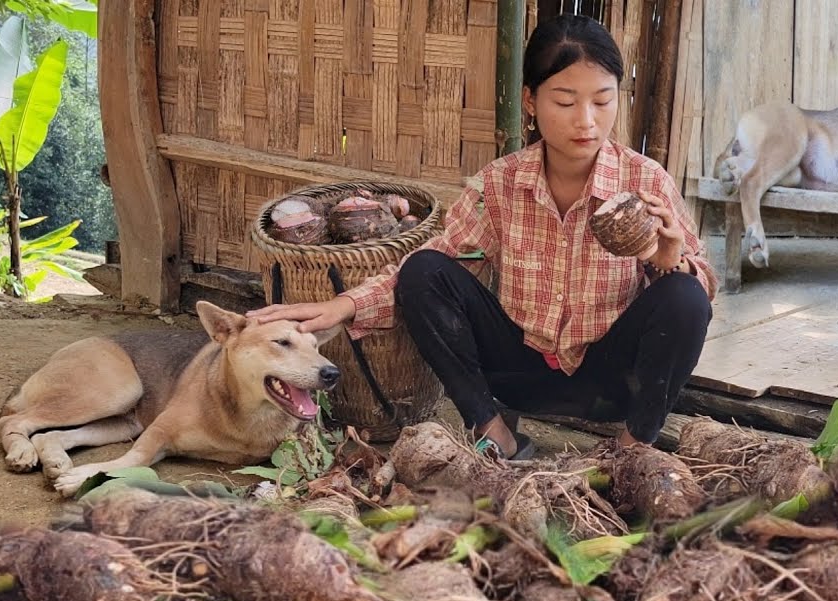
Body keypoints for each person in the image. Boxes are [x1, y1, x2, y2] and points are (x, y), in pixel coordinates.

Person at [247, 13, 716, 460]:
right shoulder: (500, 183)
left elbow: (701, 290)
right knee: (424, 272)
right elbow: (437, 258)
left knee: (686, 296)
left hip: (614, 382)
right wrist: (343, 305)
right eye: (566, 102)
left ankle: (633, 452)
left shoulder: (646, 180)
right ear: (531, 101)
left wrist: (666, 257)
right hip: (518, 374)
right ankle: (494, 433)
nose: (587, 121)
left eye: (602, 100)